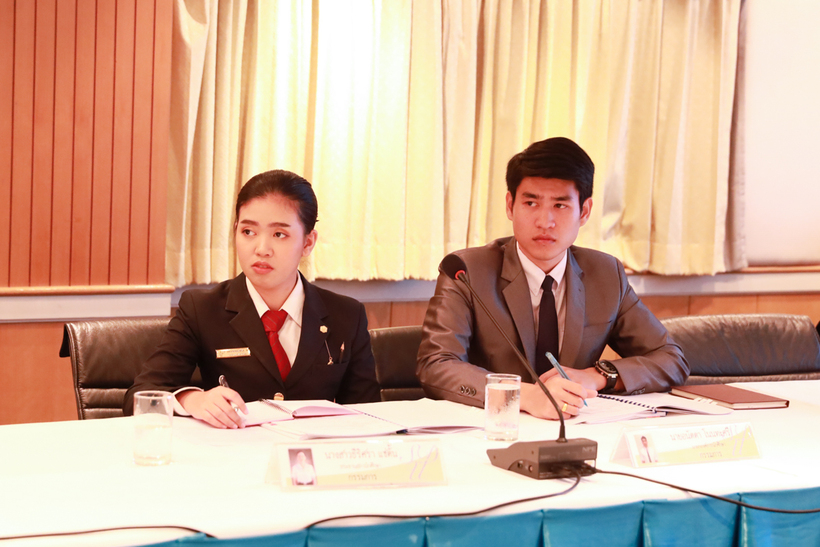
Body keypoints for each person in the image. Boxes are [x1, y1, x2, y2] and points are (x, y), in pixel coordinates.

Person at [416, 137, 688, 420]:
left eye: (560, 206)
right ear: (510, 206)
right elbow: (436, 364)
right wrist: (522, 395)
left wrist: (596, 376)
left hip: (576, 428)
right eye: (531, 202)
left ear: (584, 212)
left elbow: (671, 360)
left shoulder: (606, 274)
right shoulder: (467, 272)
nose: (544, 222)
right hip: (491, 429)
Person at [124, 170, 380, 427]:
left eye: (279, 234)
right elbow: (140, 396)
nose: (261, 249)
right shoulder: (201, 310)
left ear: (308, 243)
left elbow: (370, 415)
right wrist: (191, 399)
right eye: (248, 231)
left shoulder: (346, 315)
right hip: (234, 448)